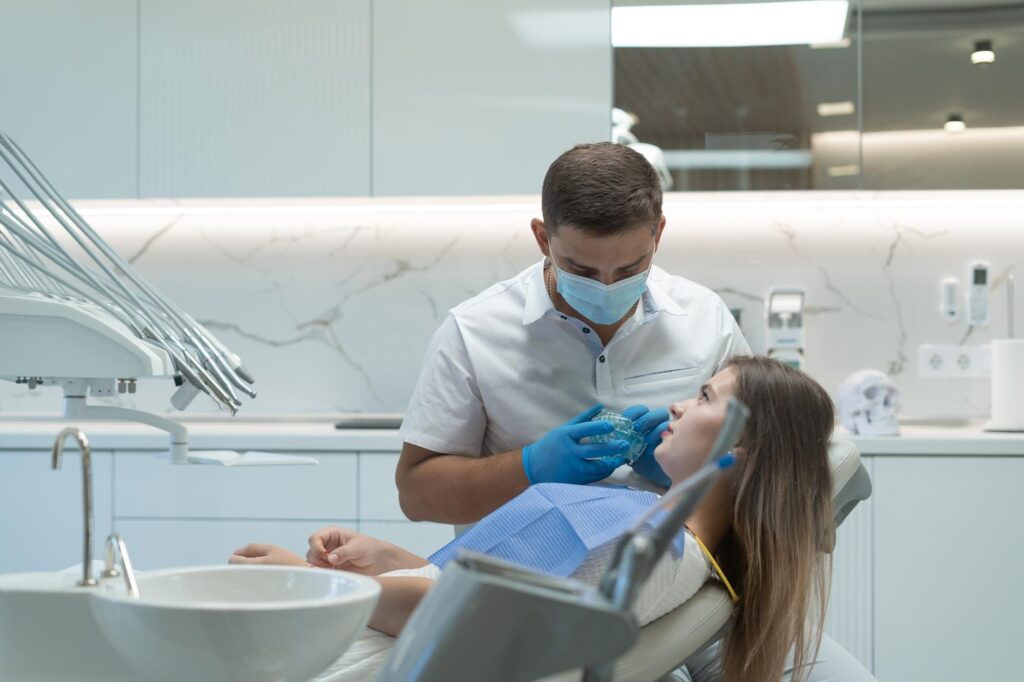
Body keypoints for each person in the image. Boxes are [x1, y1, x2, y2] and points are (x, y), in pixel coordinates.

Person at [232, 357, 874, 682]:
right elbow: (500, 588)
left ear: (743, 450)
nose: (678, 405)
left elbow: (475, 628)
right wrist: (390, 561)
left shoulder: (653, 552)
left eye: (705, 396)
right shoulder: (653, 530)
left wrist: (319, 589)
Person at [395, 141, 749, 529]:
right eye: (582, 271)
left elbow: (768, 467)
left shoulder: (707, 319)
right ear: (543, 238)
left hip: (668, 561)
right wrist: (529, 468)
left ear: (658, 233)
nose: (607, 287)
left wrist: (688, 468)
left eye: (630, 269)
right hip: (522, 562)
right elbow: (415, 495)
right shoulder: (473, 332)